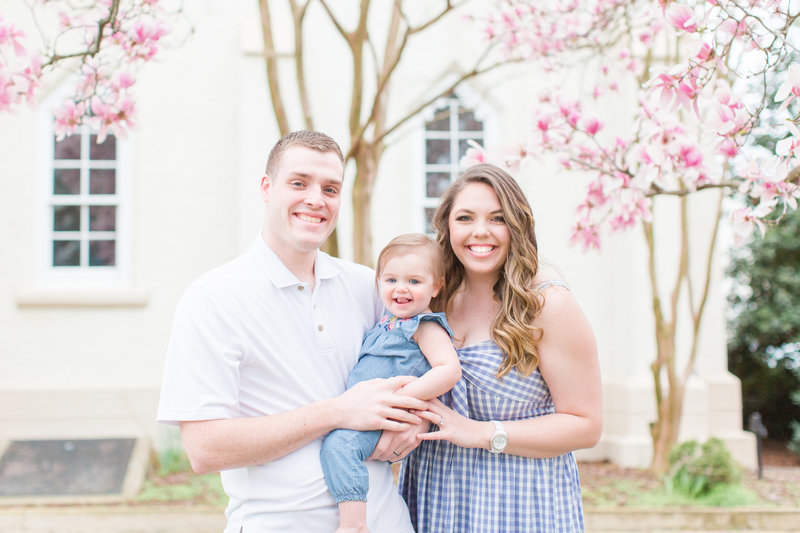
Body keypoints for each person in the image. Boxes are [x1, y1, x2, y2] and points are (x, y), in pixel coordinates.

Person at [157, 130, 425, 533]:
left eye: (330, 189)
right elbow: (204, 449)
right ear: (267, 188)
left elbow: (417, 370)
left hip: (385, 522)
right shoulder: (212, 299)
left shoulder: (368, 287)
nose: (316, 199)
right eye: (299, 183)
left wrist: (414, 424)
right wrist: (336, 411)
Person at [398, 163, 603, 532]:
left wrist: (482, 432)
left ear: (517, 225)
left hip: (516, 503)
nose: (481, 231)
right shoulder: (431, 300)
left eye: (497, 218)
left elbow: (586, 426)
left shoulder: (546, 304)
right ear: (446, 226)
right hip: (433, 496)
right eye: (465, 217)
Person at [320, 233, 462, 533]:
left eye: (414, 281)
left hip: (383, 414)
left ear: (435, 286)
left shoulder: (424, 325)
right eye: (391, 280)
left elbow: (449, 370)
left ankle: (354, 524)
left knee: (338, 446)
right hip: (365, 411)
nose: (401, 289)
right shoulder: (385, 321)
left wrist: (401, 398)